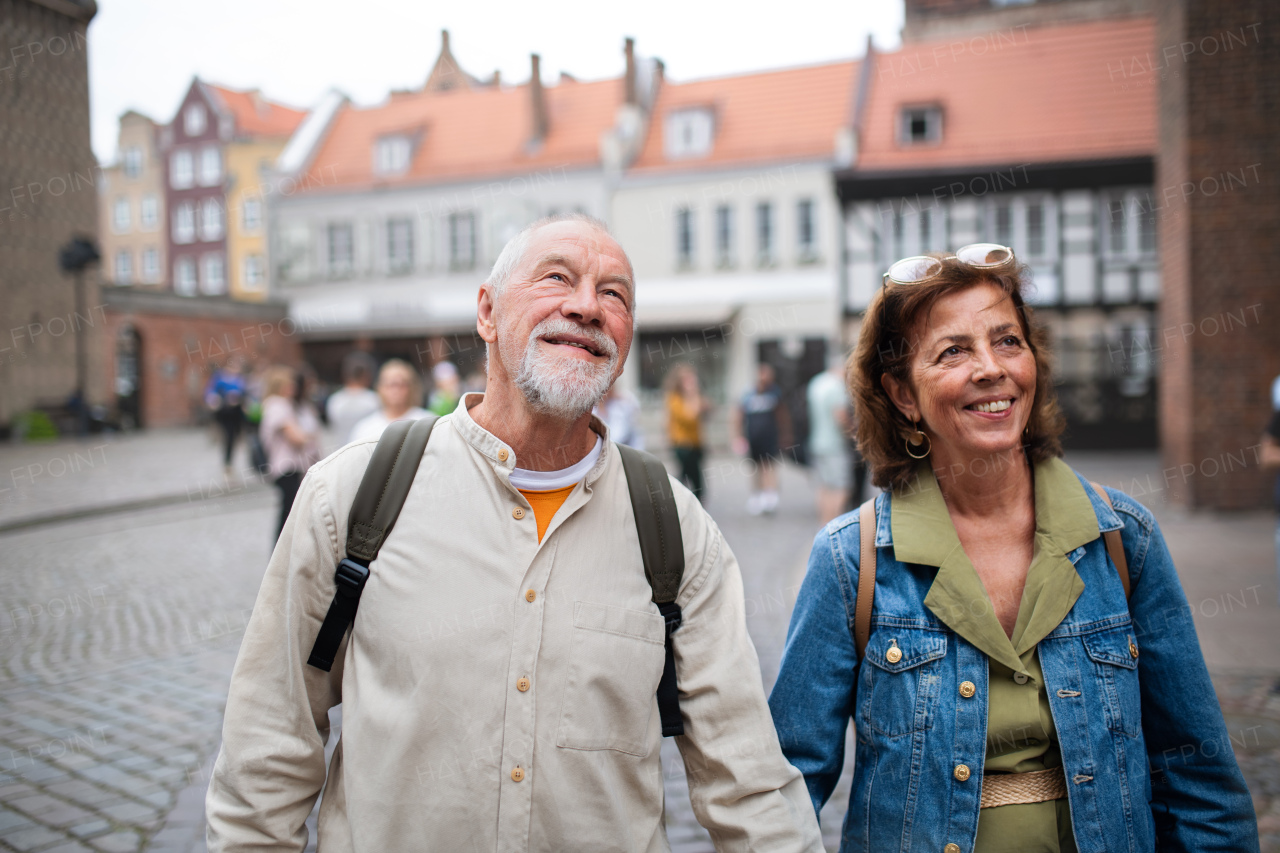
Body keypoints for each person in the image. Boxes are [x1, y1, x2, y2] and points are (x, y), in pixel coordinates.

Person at [206, 214, 823, 851]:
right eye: (557, 278)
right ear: (488, 312)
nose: (586, 306)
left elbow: (745, 777)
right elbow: (268, 747)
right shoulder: (353, 495)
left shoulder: (672, 524)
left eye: (614, 294)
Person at [769, 245, 1259, 853]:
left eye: (1007, 342)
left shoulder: (1122, 539)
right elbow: (785, 790)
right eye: (954, 351)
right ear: (902, 395)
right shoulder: (853, 560)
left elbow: (1198, 776)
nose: (990, 368)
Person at [259, 365, 322, 540]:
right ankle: (281, 554)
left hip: (289, 467)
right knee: (288, 515)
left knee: (289, 512)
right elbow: (296, 437)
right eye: (289, 384)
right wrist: (310, 436)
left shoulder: (279, 405)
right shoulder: (277, 405)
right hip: (286, 466)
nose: (293, 388)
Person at [733, 362, 789, 515]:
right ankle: (756, 495)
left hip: (770, 437)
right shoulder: (748, 394)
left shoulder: (775, 393)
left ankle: (770, 495)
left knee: (769, 465)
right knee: (755, 467)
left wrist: (785, 435)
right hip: (753, 437)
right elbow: (739, 415)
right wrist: (738, 437)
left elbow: (782, 416)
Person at [807, 354, 853, 525]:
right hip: (834, 446)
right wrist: (853, 433)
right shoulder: (836, 386)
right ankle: (835, 527)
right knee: (842, 488)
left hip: (816, 443)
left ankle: (824, 525)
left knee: (824, 487)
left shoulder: (816, 382)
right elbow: (840, 416)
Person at [349, 359, 430, 442]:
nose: (396, 390)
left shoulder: (426, 422)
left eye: (401, 384)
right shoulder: (365, 428)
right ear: (380, 388)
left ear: (411, 387)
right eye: (391, 384)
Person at [665, 363, 709, 502]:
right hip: (683, 444)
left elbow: (708, 410)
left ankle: (681, 503)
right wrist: (694, 395)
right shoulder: (675, 399)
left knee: (688, 477)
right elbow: (690, 416)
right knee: (693, 480)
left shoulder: (694, 398)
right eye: (688, 380)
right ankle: (684, 504)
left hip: (696, 443)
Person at [325, 351, 380, 446]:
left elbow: (332, 426)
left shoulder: (335, 400)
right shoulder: (374, 399)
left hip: (341, 451)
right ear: (366, 375)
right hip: (367, 453)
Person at [205, 356, 247, 474]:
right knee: (229, 436)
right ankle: (227, 462)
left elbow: (243, 393)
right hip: (225, 411)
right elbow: (210, 392)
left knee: (235, 437)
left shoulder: (240, 378)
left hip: (237, 412)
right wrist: (215, 400)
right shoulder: (220, 377)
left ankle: (230, 460)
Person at [595, 381, 644, 449]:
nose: (605, 392)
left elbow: (619, 436)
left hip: (626, 449)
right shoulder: (593, 408)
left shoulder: (623, 402)